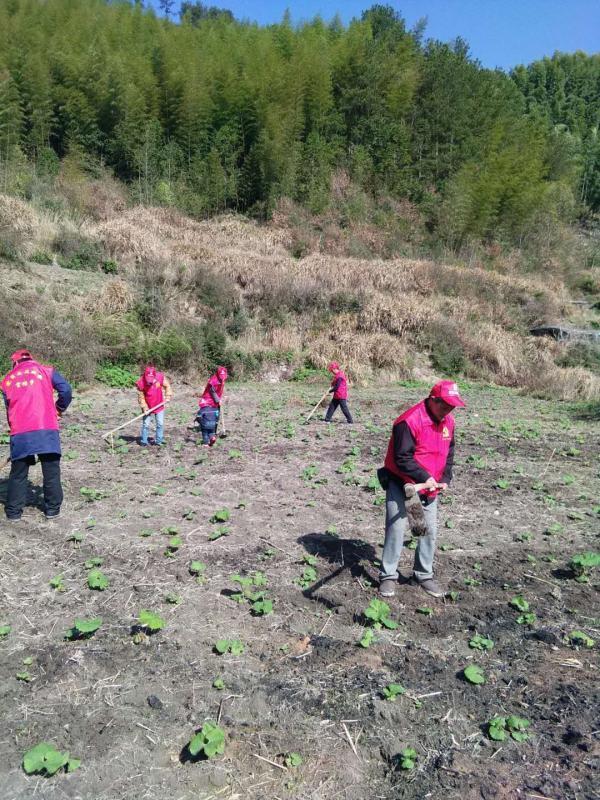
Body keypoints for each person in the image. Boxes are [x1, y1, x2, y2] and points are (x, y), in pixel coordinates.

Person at [378, 380, 466, 599]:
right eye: (445, 405)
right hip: (404, 483)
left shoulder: (449, 422)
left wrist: (444, 477)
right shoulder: (408, 421)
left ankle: (423, 574)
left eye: (452, 406)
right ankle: (388, 576)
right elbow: (402, 458)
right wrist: (425, 477)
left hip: (430, 487)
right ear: (432, 399)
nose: (448, 410)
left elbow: (450, 452)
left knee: (426, 531)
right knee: (397, 529)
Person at [1, 349, 72, 521]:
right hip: (46, 426)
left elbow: (9, 408)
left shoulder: (6, 381)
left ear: (15, 362)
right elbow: (66, 390)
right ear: (31, 359)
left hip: (20, 431)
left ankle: (13, 513)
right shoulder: (46, 371)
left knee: (18, 474)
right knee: (51, 471)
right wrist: (59, 409)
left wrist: (14, 431)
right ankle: (52, 510)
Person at [136, 364, 173, 446]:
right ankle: (144, 441)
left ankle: (159, 441)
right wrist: (144, 407)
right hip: (147, 406)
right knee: (146, 424)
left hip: (159, 404)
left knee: (160, 423)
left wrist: (168, 396)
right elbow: (141, 397)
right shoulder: (141, 382)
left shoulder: (160, 377)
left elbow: (167, 386)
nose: (149, 381)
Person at [196, 365, 228, 447]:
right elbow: (212, 392)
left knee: (215, 417)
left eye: (224, 376)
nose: (222, 378)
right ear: (218, 374)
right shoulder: (213, 380)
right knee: (207, 416)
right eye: (221, 376)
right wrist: (218, 400)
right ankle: (208, 434)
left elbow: (220, 390)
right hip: (208, 400)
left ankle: (213, 434)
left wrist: (222, 397)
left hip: (215, 400)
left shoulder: (223, 379)